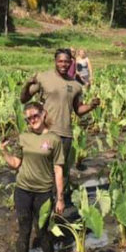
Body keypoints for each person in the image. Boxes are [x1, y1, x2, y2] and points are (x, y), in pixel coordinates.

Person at [20, 48, 100, 185]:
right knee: (42, 167)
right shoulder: (43, 78)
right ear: (55, 62)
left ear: (71, 62)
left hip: (65, 134)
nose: (63, 65)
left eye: (66, 62)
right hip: (46, 132)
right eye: (60, 61)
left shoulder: (75, 85)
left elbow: (78, 110)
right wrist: (27, 84)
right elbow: (24, 99)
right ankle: (42, 199)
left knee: (61, 170)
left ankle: (59, 199)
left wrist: (91, 106)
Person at [0, 102, 65, 252]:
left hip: (43, 192)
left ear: (43, 114)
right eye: (29, 118)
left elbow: (58, 169)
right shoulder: (24, 137)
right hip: (23, 190)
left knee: (41, 229)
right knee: (24, 229)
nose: (33, 120)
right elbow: (16, 163)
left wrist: (60, 198)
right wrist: (3, 151)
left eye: (35, 115)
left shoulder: (54, 139)